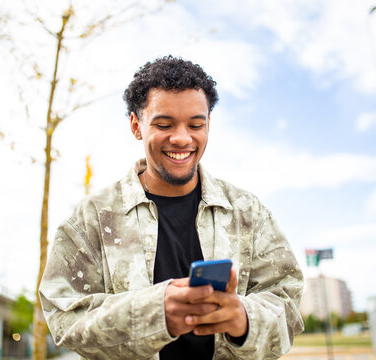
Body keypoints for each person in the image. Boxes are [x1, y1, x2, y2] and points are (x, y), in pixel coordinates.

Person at [39, 55, 304, 360]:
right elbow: (63, 315)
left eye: (196, 125)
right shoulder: (92, 218)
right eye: (164, 124)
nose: (182, 138)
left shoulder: (248, 212)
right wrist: (153, 313)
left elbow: (288, 302)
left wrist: (243, 319)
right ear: (136, 126)